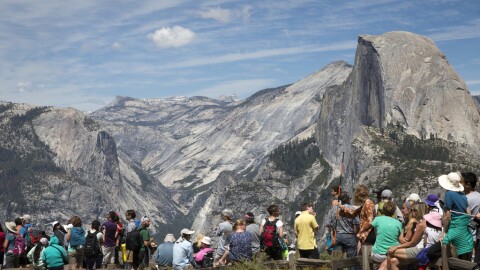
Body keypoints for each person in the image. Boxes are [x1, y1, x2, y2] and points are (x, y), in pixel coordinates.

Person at [440, 172, 473, 260]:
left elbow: (447, 216)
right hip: (464, 230)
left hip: (455, 228)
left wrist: (444, 232)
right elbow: (468, 212)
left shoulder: (449, 194)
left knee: (441, 248)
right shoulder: (463, 195)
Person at [387, 202, 429, 270]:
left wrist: (396, 247)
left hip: (419, 250)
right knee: (394, 261)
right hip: (417, 248)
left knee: (390, 251)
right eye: (411, 210)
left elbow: (412, 243)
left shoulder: (421, 224)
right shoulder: (418, 222)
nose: (412, 212)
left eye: (415, 210)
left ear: (421, 211)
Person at [327, 192, 359, 268]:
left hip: (337, 236)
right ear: (348, 199)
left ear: (340, 201)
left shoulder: (334, 209)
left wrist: (332, 235)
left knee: (337, 260)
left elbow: (328, 224)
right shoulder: (352, 209)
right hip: (350, 236)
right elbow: (356, 224)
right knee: (351, 261)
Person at [369, 201, 402, 270]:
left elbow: (369, 226)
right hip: (392, 253)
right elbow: (401, 239)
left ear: (383, 210)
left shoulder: (377, 219)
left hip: (377, 254)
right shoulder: (399, 223)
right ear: (394, 212)